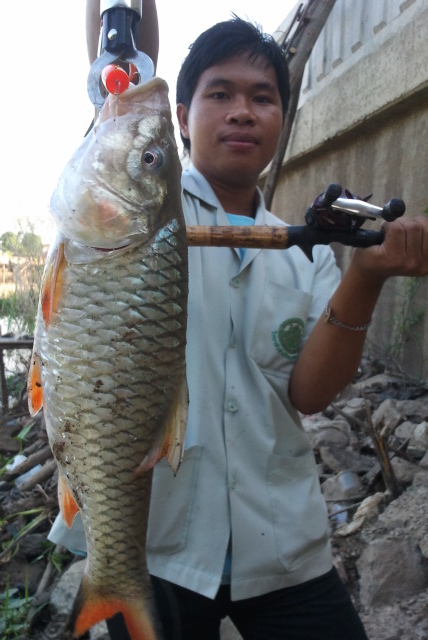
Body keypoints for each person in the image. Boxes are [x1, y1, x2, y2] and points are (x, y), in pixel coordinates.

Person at [55, 2, 428, 638]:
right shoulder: (134, 203)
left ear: (283, 119)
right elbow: (123, 68)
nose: (241, 111)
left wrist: (366, 277)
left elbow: (309, 394)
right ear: (179, 116)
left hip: (282, 542)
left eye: (263, 97)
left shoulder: (301, 249)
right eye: (219, 93)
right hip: (158, 548)